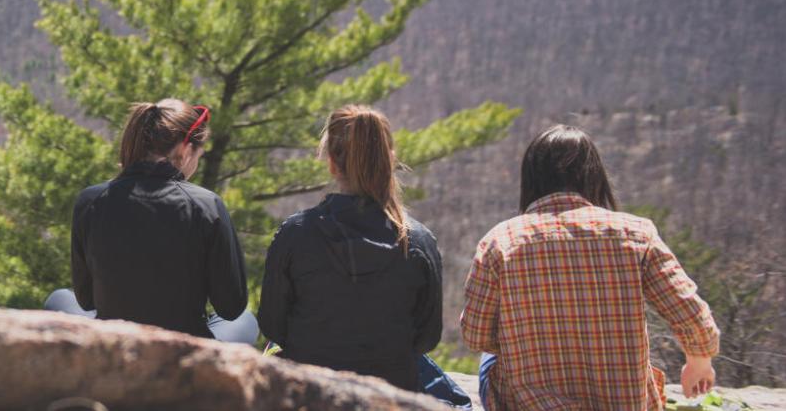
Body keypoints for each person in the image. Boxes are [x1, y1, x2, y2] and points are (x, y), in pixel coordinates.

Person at [461, 125, 720, 410]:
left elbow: (476, 335)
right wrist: (699, 361)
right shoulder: (635, 233)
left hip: (531, 404)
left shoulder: (500, 241)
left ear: (531, 179)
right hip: (624, 403)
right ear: (594, 177)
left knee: (489, 361)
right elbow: (689, 311)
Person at [257, 105, 447, 393]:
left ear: (332, 162)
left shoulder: (295, 235)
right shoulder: (418, 241)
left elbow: (273, 326)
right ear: (389, 160)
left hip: (311, 394)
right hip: (390, 396)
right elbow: (427, 337)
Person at [47, 98, 256, 344]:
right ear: (186, 149)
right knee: (246, 320)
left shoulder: (91, 200)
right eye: (199, 154)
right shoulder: (206, 205)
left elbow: (86, 300)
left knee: (59, 298)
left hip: (114, 342)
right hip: (183, 349)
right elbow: (231, 307)